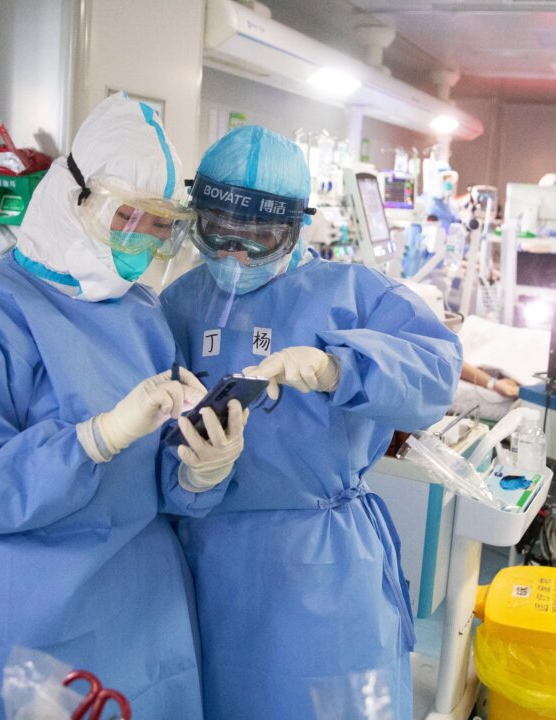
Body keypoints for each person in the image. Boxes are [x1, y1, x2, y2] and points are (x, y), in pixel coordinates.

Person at [0, 93, 248, 719]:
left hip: (143, 608)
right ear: (73, 196)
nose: (142, 241)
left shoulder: (141, 315)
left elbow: (161, 475)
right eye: (128, 217)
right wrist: (89, 441)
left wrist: (201, 469)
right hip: (28, 616)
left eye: (160, 226)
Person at [160, 126, 462, 720]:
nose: (234, 256)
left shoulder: (350, 292)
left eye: (259, 239)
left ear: (296, 230)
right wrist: (195, 474)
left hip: (325, 569)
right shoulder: (179, 302)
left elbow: (436, 370)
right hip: (208, 560)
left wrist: (339, 367)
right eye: (217, 234)